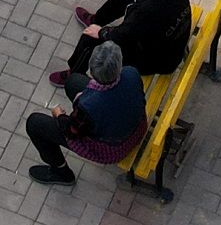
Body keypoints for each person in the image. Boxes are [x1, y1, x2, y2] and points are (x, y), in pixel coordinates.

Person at [53, 0, 191, 92]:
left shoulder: (145, 11)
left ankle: (74, 75)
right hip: (171, 40)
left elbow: (122, 35)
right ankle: (96, 20)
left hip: (157, 59)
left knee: (90, 38)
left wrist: (101, 33)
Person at [26, 41, 147, 186]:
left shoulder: (88, 107)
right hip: (137, 127)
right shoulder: (131, 73)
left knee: (34, 124)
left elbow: (71, 132)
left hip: (115, 148)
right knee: (73, 81)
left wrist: (59, 116)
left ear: (93, 70)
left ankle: (62, 173)